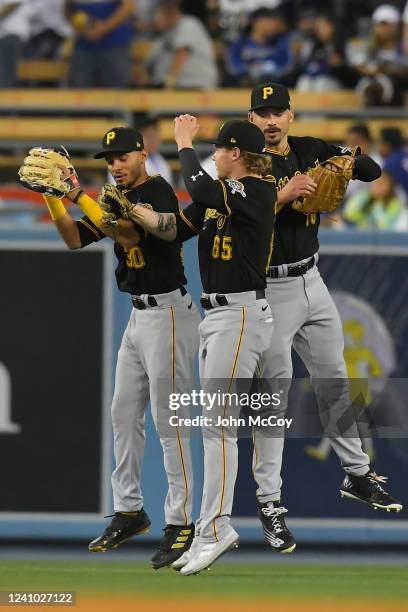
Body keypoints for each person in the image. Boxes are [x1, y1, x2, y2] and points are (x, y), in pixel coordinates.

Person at [19, 127, 201, 570]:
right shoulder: (111, 195)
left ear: (142, 154)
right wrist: (52, 196)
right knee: (123, 414)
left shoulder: (156, 189)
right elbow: (73, 239)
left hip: (171, 315)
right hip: (140, 316)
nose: (116, 165)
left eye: (123, 156)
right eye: (110, 158)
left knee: (169, 422)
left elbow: (131, 236)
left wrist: (76, 192)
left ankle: (181, 524)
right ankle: (130, 511)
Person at [246, 82, 403, 553]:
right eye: (262, 113)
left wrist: (347, 160)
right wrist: (284, 192)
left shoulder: (313, 150)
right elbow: (241, 218)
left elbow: (372, 172)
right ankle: (270, 503)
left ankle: (357, 474)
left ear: (292, 115)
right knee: (274, 397)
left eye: (278, 112)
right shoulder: (243, 163)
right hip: (268, 287)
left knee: (336, 381)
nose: (271, 120)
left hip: (312, 282)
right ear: (252, 119)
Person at [129, 117, 277, 574]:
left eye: (218, 148)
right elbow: (173, 228)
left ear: (236, 153)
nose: (212, 154)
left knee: (218, 428)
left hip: (241, 314)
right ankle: (209, 527)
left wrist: (183, 144)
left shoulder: (258, 189)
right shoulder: (222, 195)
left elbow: (204, 191)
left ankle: (217, 528)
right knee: (214, 428)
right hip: (219, 316)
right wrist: (131, 211)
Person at [141, 0, 218, 89]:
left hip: (194, 85)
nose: (156, 18)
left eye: (159, 13)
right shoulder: (161, 38)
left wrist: (168, 85)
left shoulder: (188, 23)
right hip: (169, 87)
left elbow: (182, 53)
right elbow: (146, 69)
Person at [65, 0, 135, 88]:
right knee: (79, 89)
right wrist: (81, 28)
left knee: (117, 92)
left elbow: (129, 6)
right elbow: (68, 10)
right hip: (83, 47)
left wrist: (104, 28)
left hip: (115, 46)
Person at [227, 8, 295, 86]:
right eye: (268, 22)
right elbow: (234, 66)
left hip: (274, 85)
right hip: (246, 86)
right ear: (256, 22)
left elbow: (286, 65)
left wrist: (268, 68)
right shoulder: (240, 43)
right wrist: (251, 69)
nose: (272, 26)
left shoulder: (280, 43)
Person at [343, 172, 408, 231]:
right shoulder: (363, 197)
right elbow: (349, 215)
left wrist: (377, 209)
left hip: (385, 239)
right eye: (375, 183)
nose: (378, 186)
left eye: (382, 183)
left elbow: (387, 226)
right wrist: (366, 198)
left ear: (390, 186)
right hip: (362, 236)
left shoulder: (395, 204)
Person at [0, 0, 31, 87]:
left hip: (11, 35)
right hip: (6, 35)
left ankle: (7, 96)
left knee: (6, 73)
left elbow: (13, 3)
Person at [378, 127, 408, 199]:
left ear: (386, 145)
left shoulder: (390, 164)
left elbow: (382, 192)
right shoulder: (404, 156)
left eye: (380, 143)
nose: (378, 147)